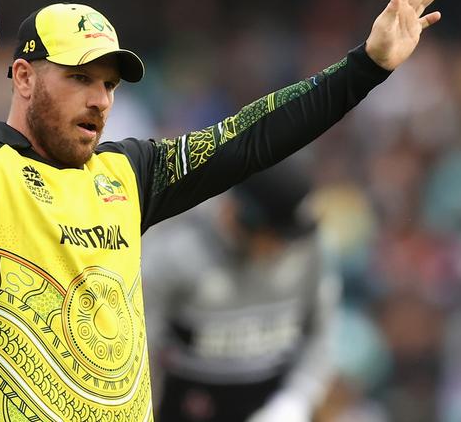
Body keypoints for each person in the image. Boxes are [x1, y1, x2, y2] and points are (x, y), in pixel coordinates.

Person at [0, 0, 445, 421]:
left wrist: (366, 66)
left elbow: (249, 139)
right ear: (23, 78)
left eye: (109, 84)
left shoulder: (125, 175)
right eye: (79, 78)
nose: (100, 100)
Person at [142, 157, 338, 422]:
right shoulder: (175, 254)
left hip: (271, 407)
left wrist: (296, 400)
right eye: (277, 236)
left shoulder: (307, 248)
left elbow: (320, 335)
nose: (286, 249)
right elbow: (139, 354)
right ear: (242, 216)